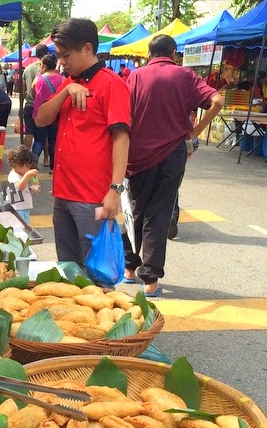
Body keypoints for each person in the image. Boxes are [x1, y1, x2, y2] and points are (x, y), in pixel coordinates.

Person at [121, 34, 223, 296]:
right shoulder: (185, 75)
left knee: (135, 209)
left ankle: (129, 269)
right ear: (175, 53)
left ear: (148, 53)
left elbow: (124, 113)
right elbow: (217, 101)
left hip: (138, 154)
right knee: (160, 212)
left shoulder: (135, 76)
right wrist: (196, 130)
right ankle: (150, 281)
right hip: (171, 154)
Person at [35, 18, 130, 268]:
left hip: (92, 198)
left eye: (65, 55)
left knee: (98, 272)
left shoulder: (111, 84)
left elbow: (122, 139)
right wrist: (66, 92)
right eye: (58, 55)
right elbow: (41, 118)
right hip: (63, 193)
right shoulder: (70, 82)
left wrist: (115, 190)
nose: (61, 62)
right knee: (68, 269)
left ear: (87, 49)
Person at [30, 53, 63, 171]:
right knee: (53, 141)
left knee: (39, 140)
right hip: (55, 115)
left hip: (39, 115)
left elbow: (33, 95)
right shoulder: (62, 79)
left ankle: (32, 166)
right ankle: (53, 167)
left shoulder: (37, 79)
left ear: (44, 65)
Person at [20, 43, 49, 149]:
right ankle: (46, 159)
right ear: (47, 54)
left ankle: (23, 159)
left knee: (29, 133)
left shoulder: (27, 69)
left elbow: (22, 91)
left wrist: (20, 110)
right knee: (43, 136)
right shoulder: (46, 69)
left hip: (29, 105)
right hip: (42, 107)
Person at [6, 145, 40, 223]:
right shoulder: (13, 176)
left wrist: (31, 188)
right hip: (17, 209)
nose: (29, 169)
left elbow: (23, 186)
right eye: (27, 166)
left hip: (23, 208)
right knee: (21, 230)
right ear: (18, 164)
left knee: (25, 228)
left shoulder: (20, 175)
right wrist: (27, 175)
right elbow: (18, 188)